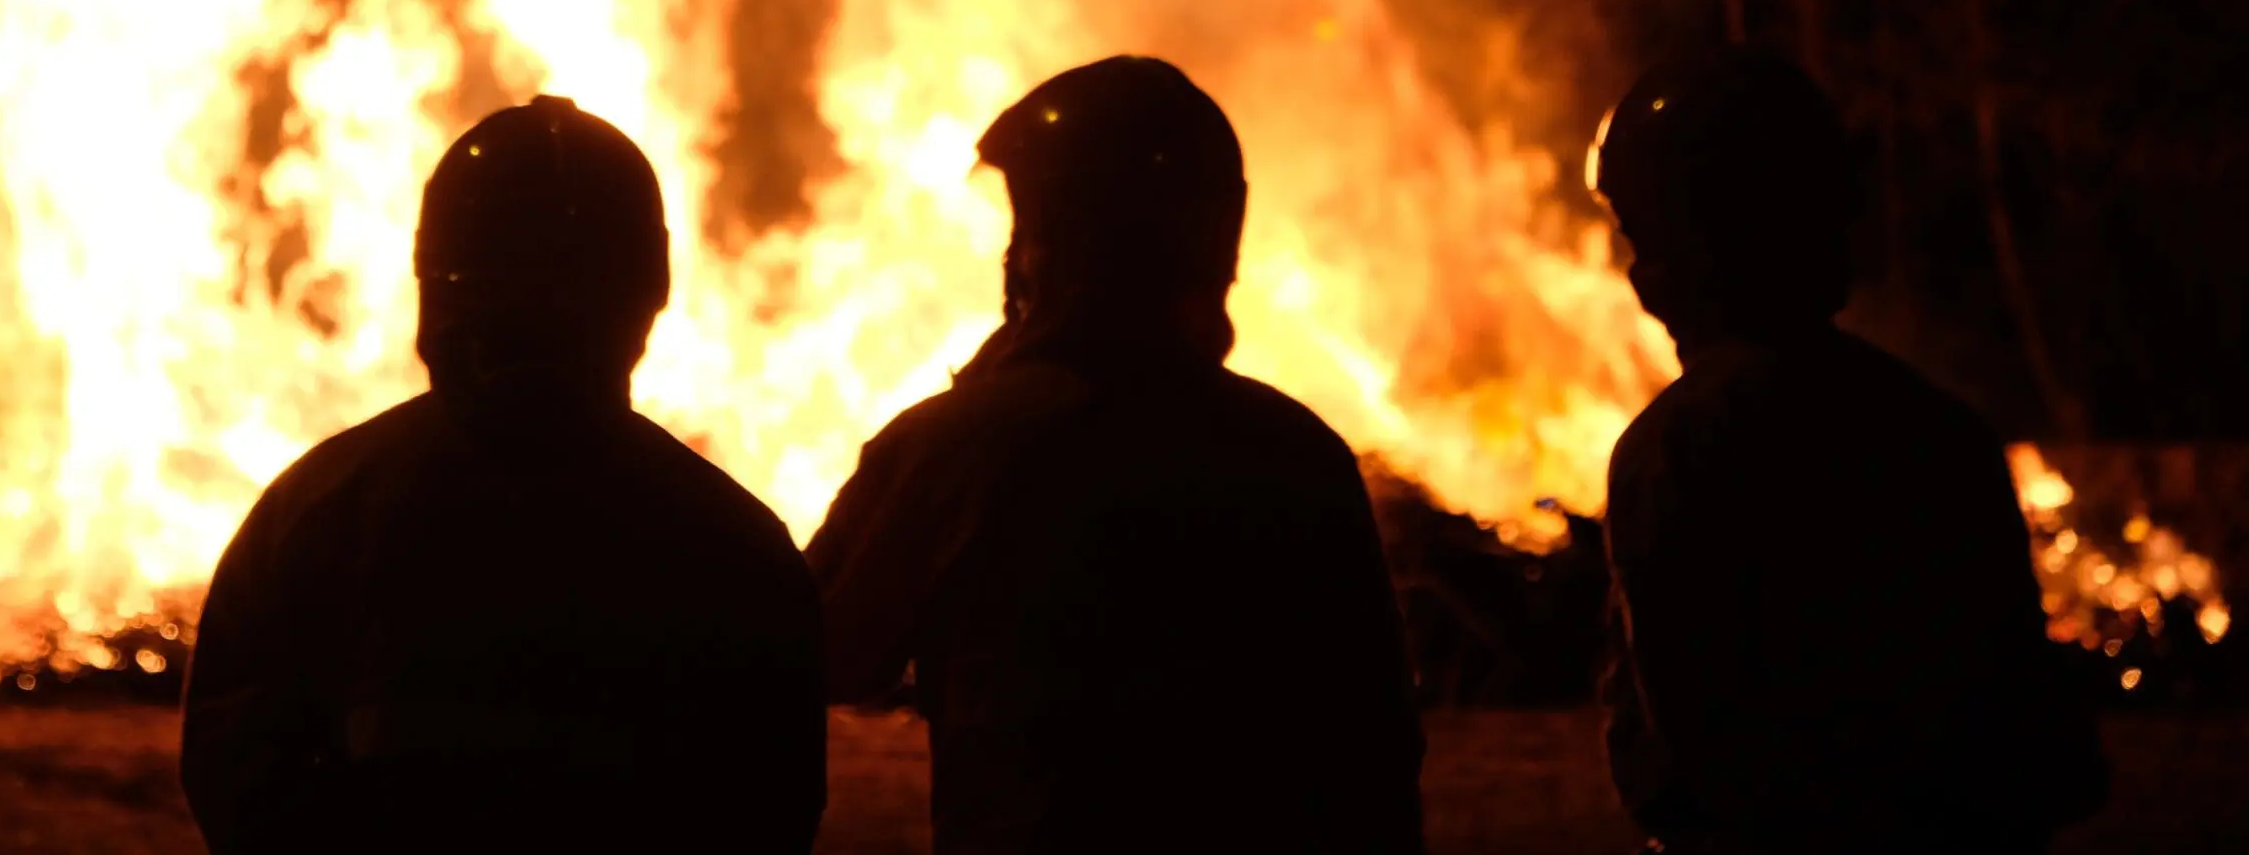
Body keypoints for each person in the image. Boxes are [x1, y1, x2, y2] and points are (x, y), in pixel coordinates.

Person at [808, 55, 1427, 854]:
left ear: (1052, 242)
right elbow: (1375, 746)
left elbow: (823, 649)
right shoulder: (1299, 453)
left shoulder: (957, 444)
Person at [180, 98, 824, 854]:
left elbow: (239, 777)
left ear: (441, 284)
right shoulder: (734, 544)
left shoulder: (318, 513)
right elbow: (769, 804)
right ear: (643, 295)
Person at [1586, 47, 2107, 854]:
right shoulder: (1942, 433)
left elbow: (1687, 752)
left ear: (1685, 251)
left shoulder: (1678, 450)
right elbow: (2039, 747)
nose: (1638, 270)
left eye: (1642, 233)